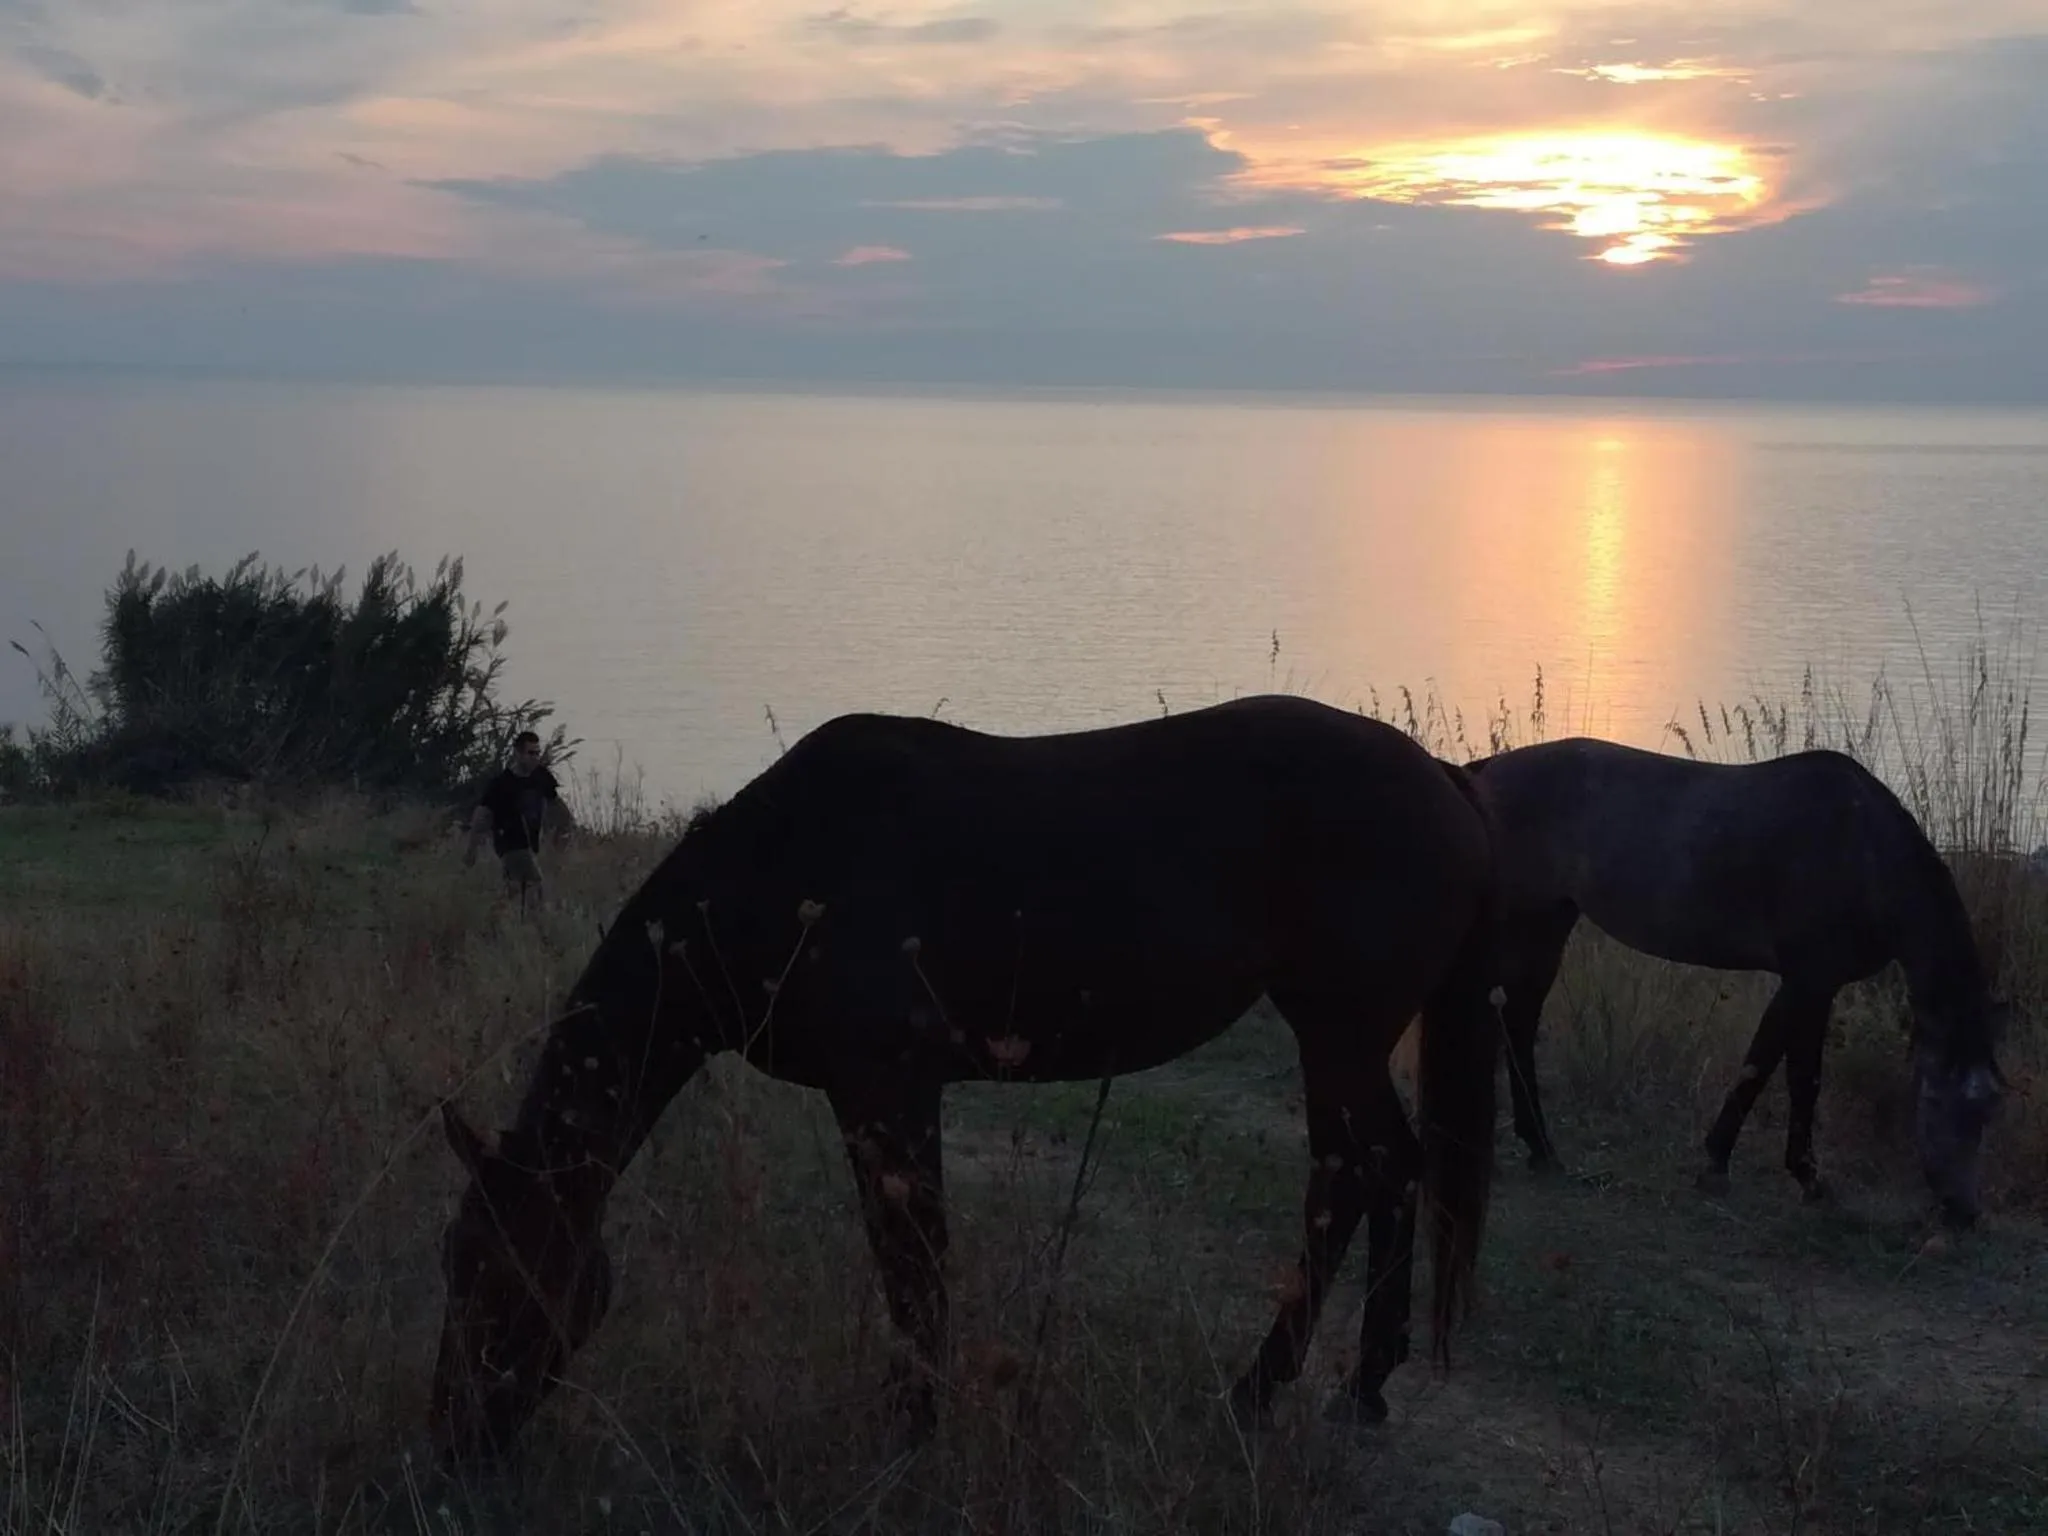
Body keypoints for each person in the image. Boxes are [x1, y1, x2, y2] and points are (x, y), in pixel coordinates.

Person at [464, 730, 571, 904]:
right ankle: (536, 926)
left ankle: (503, 923)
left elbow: (555, 802)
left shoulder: (541, 776)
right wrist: (471, 849)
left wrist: (566, 825)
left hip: (531, 845)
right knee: (535, 888)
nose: (535, 758)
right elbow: (482, 815)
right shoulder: (502, 783)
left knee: (513, 893)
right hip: (510, 844)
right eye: (530, 753)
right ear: (518, 753)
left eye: (537, 753)